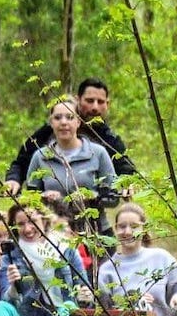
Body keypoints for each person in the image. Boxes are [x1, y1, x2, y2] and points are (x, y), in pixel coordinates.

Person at [0, 203, 91, 316]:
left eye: (32, 221)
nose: (27, 229)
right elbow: (6, 298)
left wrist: (85, 296)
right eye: (21, 224)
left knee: (68, 306)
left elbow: (84, 291)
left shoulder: (67, 252)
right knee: (1, 307)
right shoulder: (11, 257)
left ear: (44, 220)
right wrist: (12, 288)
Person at [2, 78, 133, 195]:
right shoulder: (50, 131)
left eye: (100, 102)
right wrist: (13, 179)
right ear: (78, 100)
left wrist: (127, 181)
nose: (95, 107)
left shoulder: (106, 137)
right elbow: (21, 162)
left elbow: (124, 164)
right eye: (89, 101)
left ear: (107, 104)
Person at [95, 203, 177, 316]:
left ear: (144, 229)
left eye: (134, 226)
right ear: (115, 229)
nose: (127, 232)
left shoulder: (161, 258)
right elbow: (102, 312)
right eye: (122, 226)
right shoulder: (107, 269)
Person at [23, 96, 118, 238]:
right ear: (51, 123)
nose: (63, 122)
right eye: (58, 118)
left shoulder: (98, 153)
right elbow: (29, 200)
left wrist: (93, 197)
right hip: (54, 234)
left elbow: (114, 197)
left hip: (96, 232)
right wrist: (43, 197)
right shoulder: (40, 157)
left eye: (69, 117)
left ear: (78, 121)